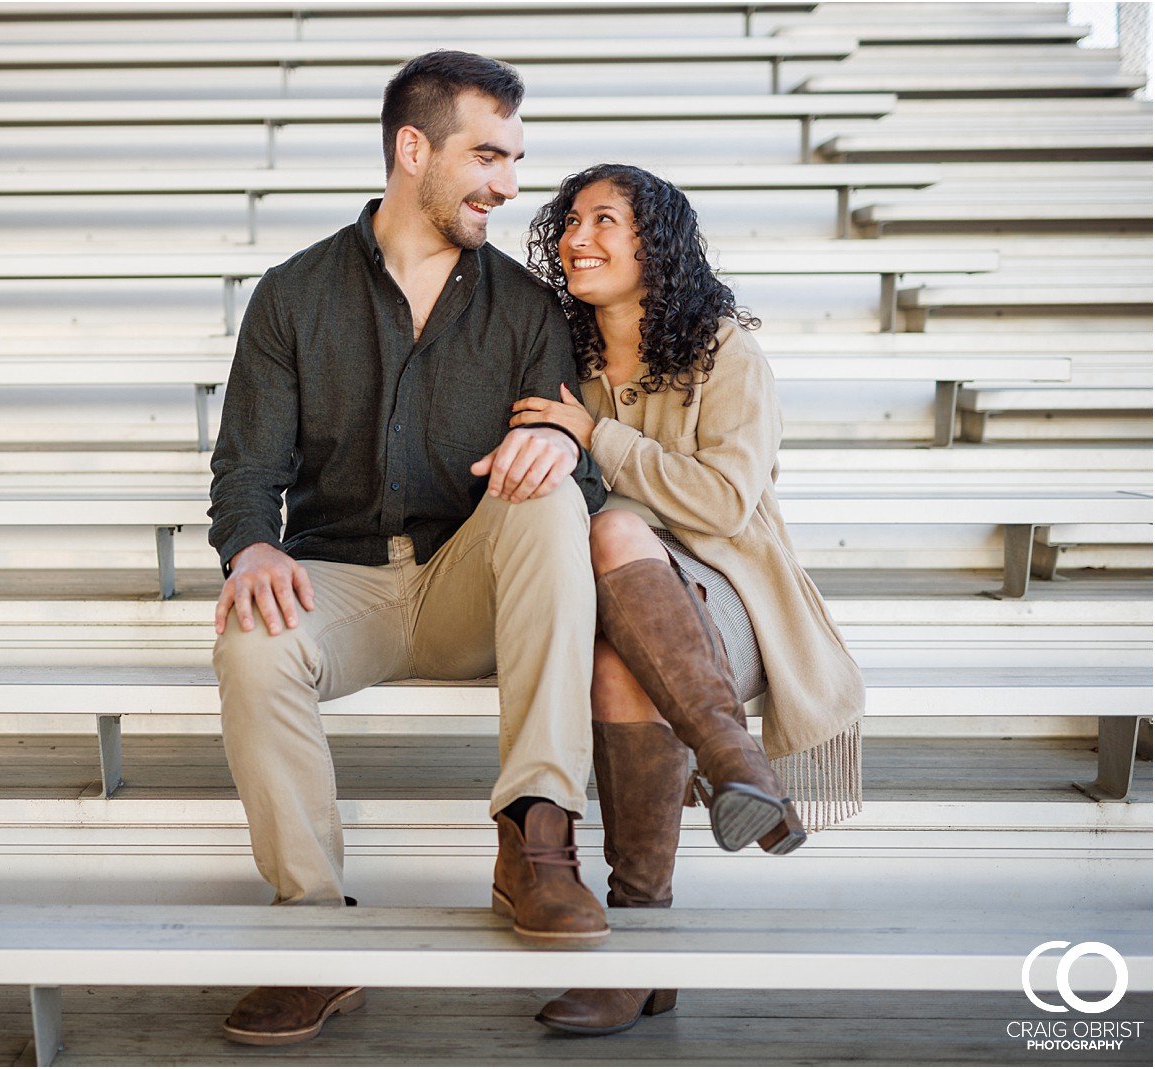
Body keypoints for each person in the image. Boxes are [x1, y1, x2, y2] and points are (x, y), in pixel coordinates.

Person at [208, 52, 613, 1047]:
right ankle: (312, 930)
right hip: (339, 578)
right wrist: (251, 547)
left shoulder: (525, 309)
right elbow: (245, 469)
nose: (509, 184)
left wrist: (561, 439)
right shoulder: (292, 296)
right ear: (410, 149)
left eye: (516, 158)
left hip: (468, 584)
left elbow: (587, 484)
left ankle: (539, 837)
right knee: (250, 642)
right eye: (487, 155)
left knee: (550, 490)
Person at [508, 163, 867, 1036]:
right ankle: (650, 937)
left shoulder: (723, 352)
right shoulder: (562, 352)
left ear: (655, 244)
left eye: (604, 221)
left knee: (616, 531)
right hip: (621, 617)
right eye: (569, 221)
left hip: (733, 601)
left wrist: (598, 436)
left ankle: (726, 760)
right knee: (612, 662)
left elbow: (719, 503)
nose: (576, 238)